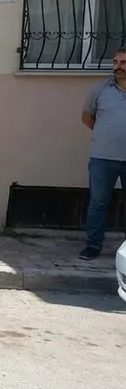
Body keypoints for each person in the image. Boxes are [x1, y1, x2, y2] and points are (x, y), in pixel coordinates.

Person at [79, 47, 126, 259]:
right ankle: (93, 246)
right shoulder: (100, 90)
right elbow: (87, 119)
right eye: (115, 62)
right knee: (98, 203)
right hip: (103, 157)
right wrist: (107, 135)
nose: (118, 67)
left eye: (123, 63)